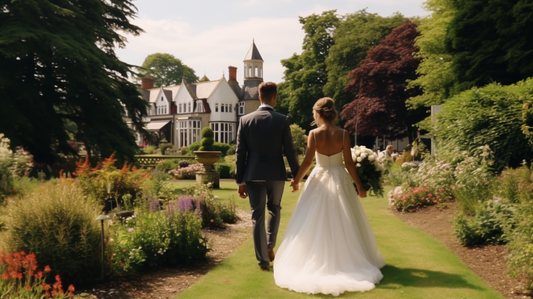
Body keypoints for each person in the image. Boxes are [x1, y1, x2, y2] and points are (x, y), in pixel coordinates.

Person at [274, 97, 385, 296]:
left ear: (317, 114)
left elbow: (308, 161)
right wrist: (359, 185)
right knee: (345, 217)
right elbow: (349, 164)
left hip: (319, 177)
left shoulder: (314, 134)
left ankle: (315, 259)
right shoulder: (343, 134)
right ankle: (349, 259)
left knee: (312, 220)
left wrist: (297, 180)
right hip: (340, 178)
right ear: (332, 113)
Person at [235, 81, 300, 272]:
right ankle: (270, 244)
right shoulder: (282, 120)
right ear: (275, 97)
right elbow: (291, 151)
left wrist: (240, 180)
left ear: (259, 97)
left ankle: (263, 260)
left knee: (257, 216)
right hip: (276, 173)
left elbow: (240, 153)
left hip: (253, 173)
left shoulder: (245, 120)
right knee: (275, 208)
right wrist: (296, 176)